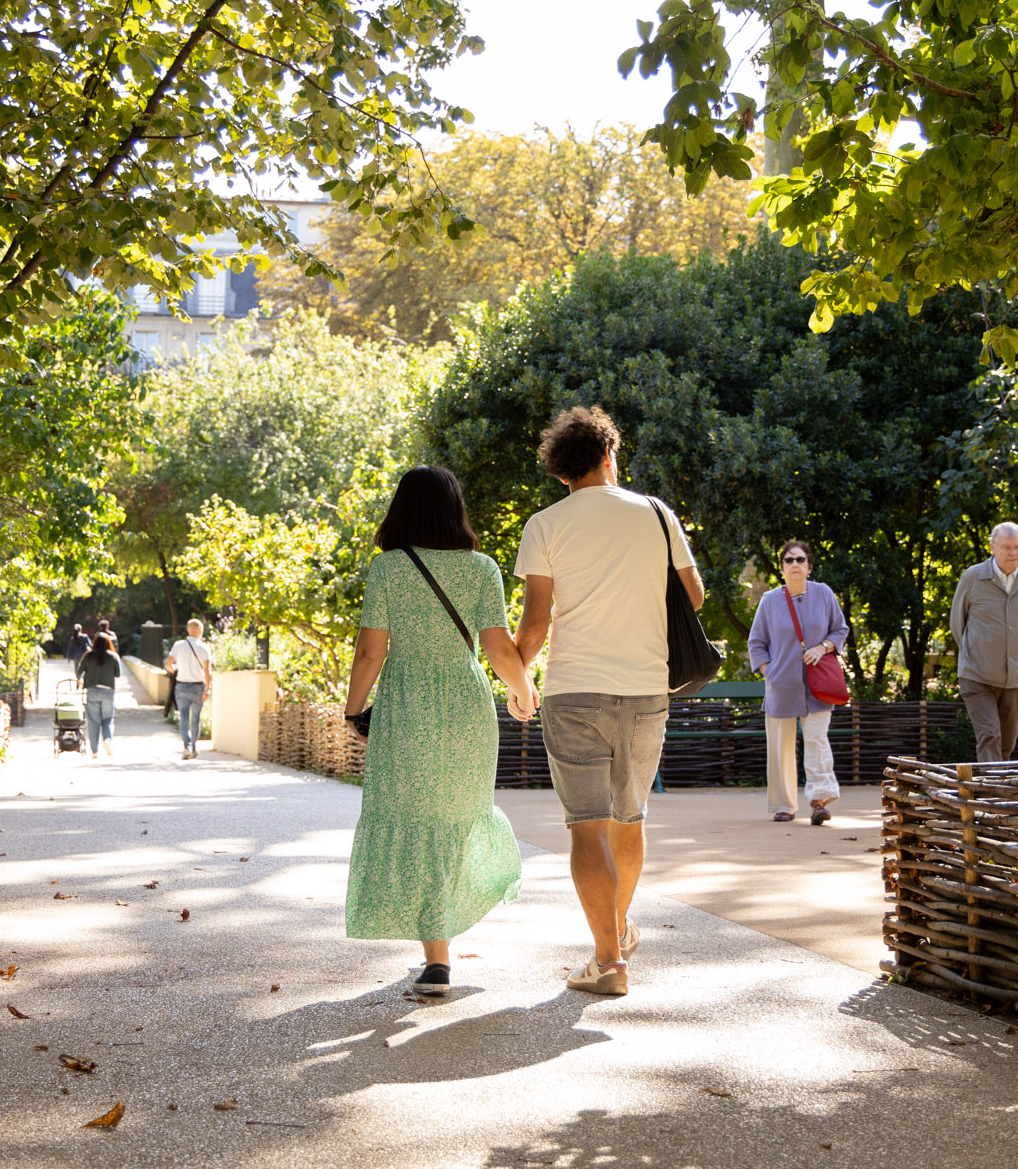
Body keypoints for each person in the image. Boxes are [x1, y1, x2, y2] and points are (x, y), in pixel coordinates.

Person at [513, 406, 703, 998]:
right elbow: (693, 595)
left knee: (586, 826)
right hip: (647, 689)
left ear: (562, 473)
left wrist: (519, 678)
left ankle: (609, 962)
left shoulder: (544, 525)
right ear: (608, 455)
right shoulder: (655, 512)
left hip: (574, 691)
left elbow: (536, 623)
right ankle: (616, 934)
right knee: (630, 817)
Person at [342, 466, 541, 997]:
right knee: (457, 815)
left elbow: (370, 652)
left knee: (413, 818)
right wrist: (523, 690)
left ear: (402, 509)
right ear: (456, 508)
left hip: (407, 707)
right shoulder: (481, 569)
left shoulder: (387, 570)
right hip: (466, 705)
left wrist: (353, 709)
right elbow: (499, 648)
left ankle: (437, 960)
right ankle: (440, 950)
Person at [747, 540, 850, 825]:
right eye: (789, 560)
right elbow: (756, 643)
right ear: (782, 568)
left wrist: (823, 647)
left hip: (818, 686)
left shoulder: (824, 594)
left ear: (809, 566)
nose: (794, 564)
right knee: (781, 748)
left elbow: (840, 628)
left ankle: (819, 801)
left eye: (800, 559)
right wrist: (770, 672)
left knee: (817, 741)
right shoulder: (769, 600)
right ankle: (784, 805)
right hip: (782, 687)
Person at [949, 521, 1018, 763]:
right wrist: (976, 653)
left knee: (1006, 742)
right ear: (993, 547)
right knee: (990, 735)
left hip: (1016, 677)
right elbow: (957, 623)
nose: (1013, 553)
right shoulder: (973, 578)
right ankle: (992, 793)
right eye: (1007, 547)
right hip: (977, 675)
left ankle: (997, 786)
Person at [168, 619, 214, 761]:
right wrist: (207, 688)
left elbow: (168, 664)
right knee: (195, 718)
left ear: (188, 630)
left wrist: (176, 671)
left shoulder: (178, 645)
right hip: (197, 686)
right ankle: (193, 747)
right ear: (200, 630)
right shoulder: (204, 647)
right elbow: (207, 670)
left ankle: (186, 746)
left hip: (181, 685)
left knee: (183, 717)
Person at [76, 632, 122, 759]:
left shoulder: (89, 655)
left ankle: (95, 751)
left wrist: (80, 680)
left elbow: (79, 671)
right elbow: (118, 674)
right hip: (108, 691)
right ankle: (107, 740)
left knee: (93, 722)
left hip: (92, 691)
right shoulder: (113, 656)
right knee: (108, 719)